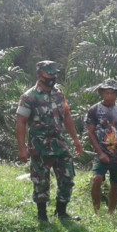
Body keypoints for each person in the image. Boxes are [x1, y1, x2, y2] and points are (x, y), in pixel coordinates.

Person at [16, 60, 84, 222]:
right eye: (49, 74)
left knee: (67, 178)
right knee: (41, 181)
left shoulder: (59, 93)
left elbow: (66, 115)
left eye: (55, 74)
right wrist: (22, 148)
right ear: (40, 75)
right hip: (40, 147)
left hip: (60, 144)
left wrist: (75, 140)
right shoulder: (29, 97)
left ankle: (61, 212)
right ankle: (42, 215)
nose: (53, 77)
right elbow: (21, 123)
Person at [85, 79, 117, 215]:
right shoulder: (94, 110)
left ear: (116, 94)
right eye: (107, 93)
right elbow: (90, 132)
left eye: (112, 93)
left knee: (115, 184)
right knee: (97, 179)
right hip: (102, 151)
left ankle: (111, 212)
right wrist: (100, 153)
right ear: (102, 93)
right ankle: (96, 211)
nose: (109, 96)